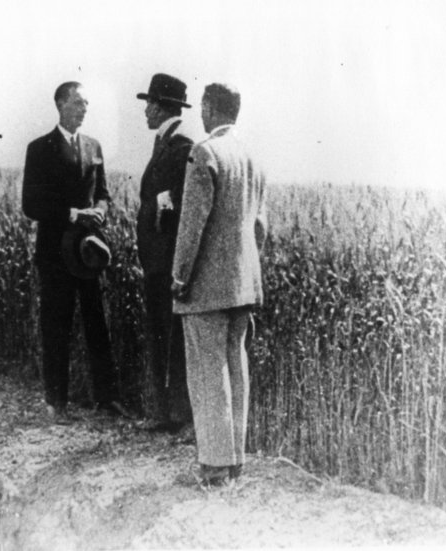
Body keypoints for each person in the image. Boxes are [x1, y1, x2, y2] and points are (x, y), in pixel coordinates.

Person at [171, 83, 267, 485]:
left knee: (208, 373)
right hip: (243, 284)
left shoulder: (205, 152)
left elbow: (191, 224)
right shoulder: (252, 156)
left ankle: (214, 466)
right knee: (236, 368)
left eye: (203, 107)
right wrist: (246, 271)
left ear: (210, 108)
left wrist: (180, 276)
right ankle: (236, 461)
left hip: (206, 288)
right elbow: (260, 227)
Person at [22, 81, 131, 424]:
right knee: (57, 326)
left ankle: (107, 400)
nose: (84, 109)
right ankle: (56, 402)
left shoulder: (94, 146)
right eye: (78, 103)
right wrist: (73, 214)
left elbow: (103, 194)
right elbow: (31, 204)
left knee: (97, 324)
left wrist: (99, 210)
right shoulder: (39, 149)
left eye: (86, 104)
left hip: (89, 252)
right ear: (60, 105)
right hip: (55, 253)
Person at [134, 73, 194, 433]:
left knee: (170, 338)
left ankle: (176, 415)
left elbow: (180, 209)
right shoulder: (166, 144)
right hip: (157, 260)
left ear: (160, 107)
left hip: (167, 261)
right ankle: (166, 413)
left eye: (149, 104)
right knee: (160, 334)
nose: (145, 111)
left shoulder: (181, 148)